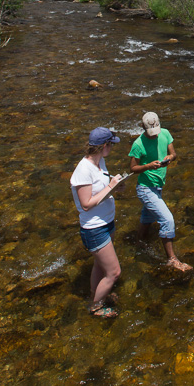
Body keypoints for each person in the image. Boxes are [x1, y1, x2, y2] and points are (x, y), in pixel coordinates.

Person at [71, 127, 127, 318]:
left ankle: (96, 294)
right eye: (111, 144)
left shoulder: (99, 162)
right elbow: (86, 204)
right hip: (94, 228)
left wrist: (115, 187)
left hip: (106, 222)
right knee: (114, 273)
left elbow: (100, 191)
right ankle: (96, 307)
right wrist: (110, 186)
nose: (112, 148)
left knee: (99, 265)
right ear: (104, 145)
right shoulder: (83, 170)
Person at [128, 112, 192, 272]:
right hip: (145, 188)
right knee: (167, 220)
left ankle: (139, 243)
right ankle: (172, 259)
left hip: (158, 186)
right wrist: (148, 166)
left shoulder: (165, 133)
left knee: (148, 217)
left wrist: (169, 159)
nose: (155, 135)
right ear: (142, 127)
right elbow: (133, 168)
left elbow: (173, 154)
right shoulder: (138, 144)